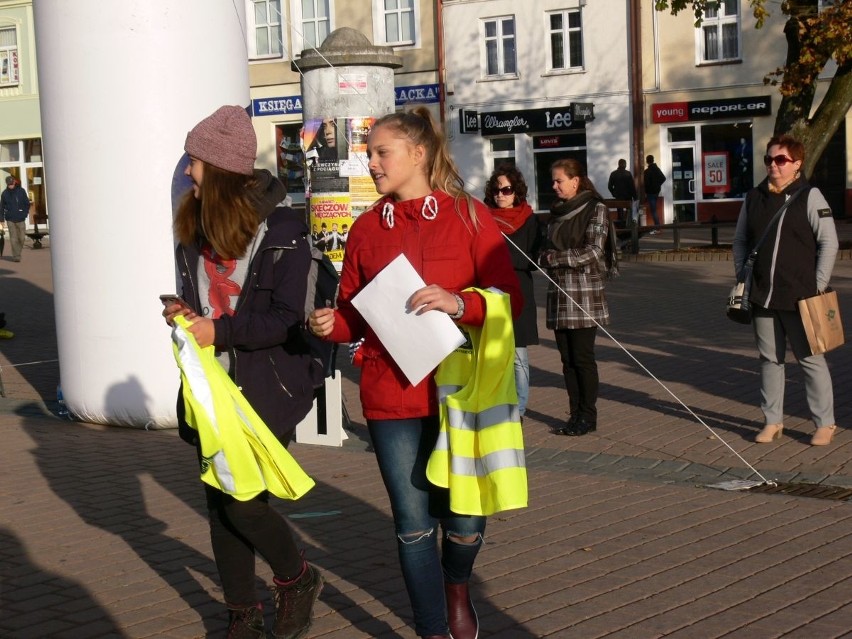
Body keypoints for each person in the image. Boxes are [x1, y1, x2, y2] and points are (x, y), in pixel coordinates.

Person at [308, 106, 522, 639]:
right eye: (370, 152)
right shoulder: (363, 229)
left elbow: (510, 300)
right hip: (390, 392)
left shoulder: (471, 216)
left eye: (382, 152)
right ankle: (433, 629)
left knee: (466, 519)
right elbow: (355, 313)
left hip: (459, 391)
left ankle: (456, 587)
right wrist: (332, 323)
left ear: (418, 153)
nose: (371, 161)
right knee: (411, 523)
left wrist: (458, 304)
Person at [162, 105, 324, 639]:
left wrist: (220, 332)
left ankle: (296, 577)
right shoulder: (192, 224)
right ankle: (242, 616)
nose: (188, 171)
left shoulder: (282, 228)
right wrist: (185, 316)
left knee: (244, 503)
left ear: (222, 168)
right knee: (220, 499)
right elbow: (198, 298)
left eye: (196, 161)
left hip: (266, 384)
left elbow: (284, 317)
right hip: (210, 386)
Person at [732, 134, 839, 447]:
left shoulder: (810, 196)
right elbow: (740, 240)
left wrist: (817, 285)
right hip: (763, 294)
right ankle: (772, 420)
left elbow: (829, 243)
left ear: (797, 164)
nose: (773, 165)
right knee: (770, 360)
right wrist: (743, 274)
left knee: (810, 360)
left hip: (801, 296)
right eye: (769, 159)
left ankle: (824, 423)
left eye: (780, 160)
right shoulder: (754, 197)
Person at [540, 158, 616, 437]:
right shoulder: (557, 212)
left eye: (559, 180)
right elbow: (543, 250)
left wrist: (554, 258)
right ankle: (575, 415)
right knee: (567, 360)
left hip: (583, 294)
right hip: (558, 293)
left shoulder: (595, 208)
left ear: (575, 181)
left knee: (583, 358)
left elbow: (593, 251)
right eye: (553, 180)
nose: (554, 186)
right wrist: (547, 257)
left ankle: (588, 416)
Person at [483, 164, 540, 418]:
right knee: (492, 354)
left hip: (519, 291)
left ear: (516, 191)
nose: (500, 195)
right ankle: (496, 405)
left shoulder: (530, 220)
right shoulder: (484, 219)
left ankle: (519, 410)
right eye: (496, 190)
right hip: (490, 291)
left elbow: (536, 258)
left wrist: (510, 260)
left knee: (518, 357)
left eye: (506, 190)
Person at [1, 176, 31, 263]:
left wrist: (24, 214)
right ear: (7, 184)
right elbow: (1, 207)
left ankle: (17, 252)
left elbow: (27, 203)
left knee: (21, 238)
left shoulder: (21, 191)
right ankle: (16, 256)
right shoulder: (4, 194)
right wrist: (1, 219)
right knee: (13, 238)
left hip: (21, 218)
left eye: (12, 184)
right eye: (9, 184)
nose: (11, 186)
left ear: (14, 182)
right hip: (10, 219)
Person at [607, 159, 637, 223]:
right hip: (628, 196)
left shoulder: (613, 174)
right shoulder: (628, 174)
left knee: (620, 213)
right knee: (629, 212)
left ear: (619, 164)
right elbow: (632, 187)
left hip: (618, 196)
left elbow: (609, 186)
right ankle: (628, 226)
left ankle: (621, 226)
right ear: (625, 165)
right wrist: (635, 197)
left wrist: (614, 193)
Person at [643, 155, 666, 234]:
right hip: (656, 192)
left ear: (647, 161)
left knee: (653, 211)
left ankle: (658, 228)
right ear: (653, 160)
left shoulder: (646, 172)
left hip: (650, 193)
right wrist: (657, 185)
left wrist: (647, 191)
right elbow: (663, 178)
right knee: (654, 210)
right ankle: (657, 227)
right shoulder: (657, 169)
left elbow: (645, 184)